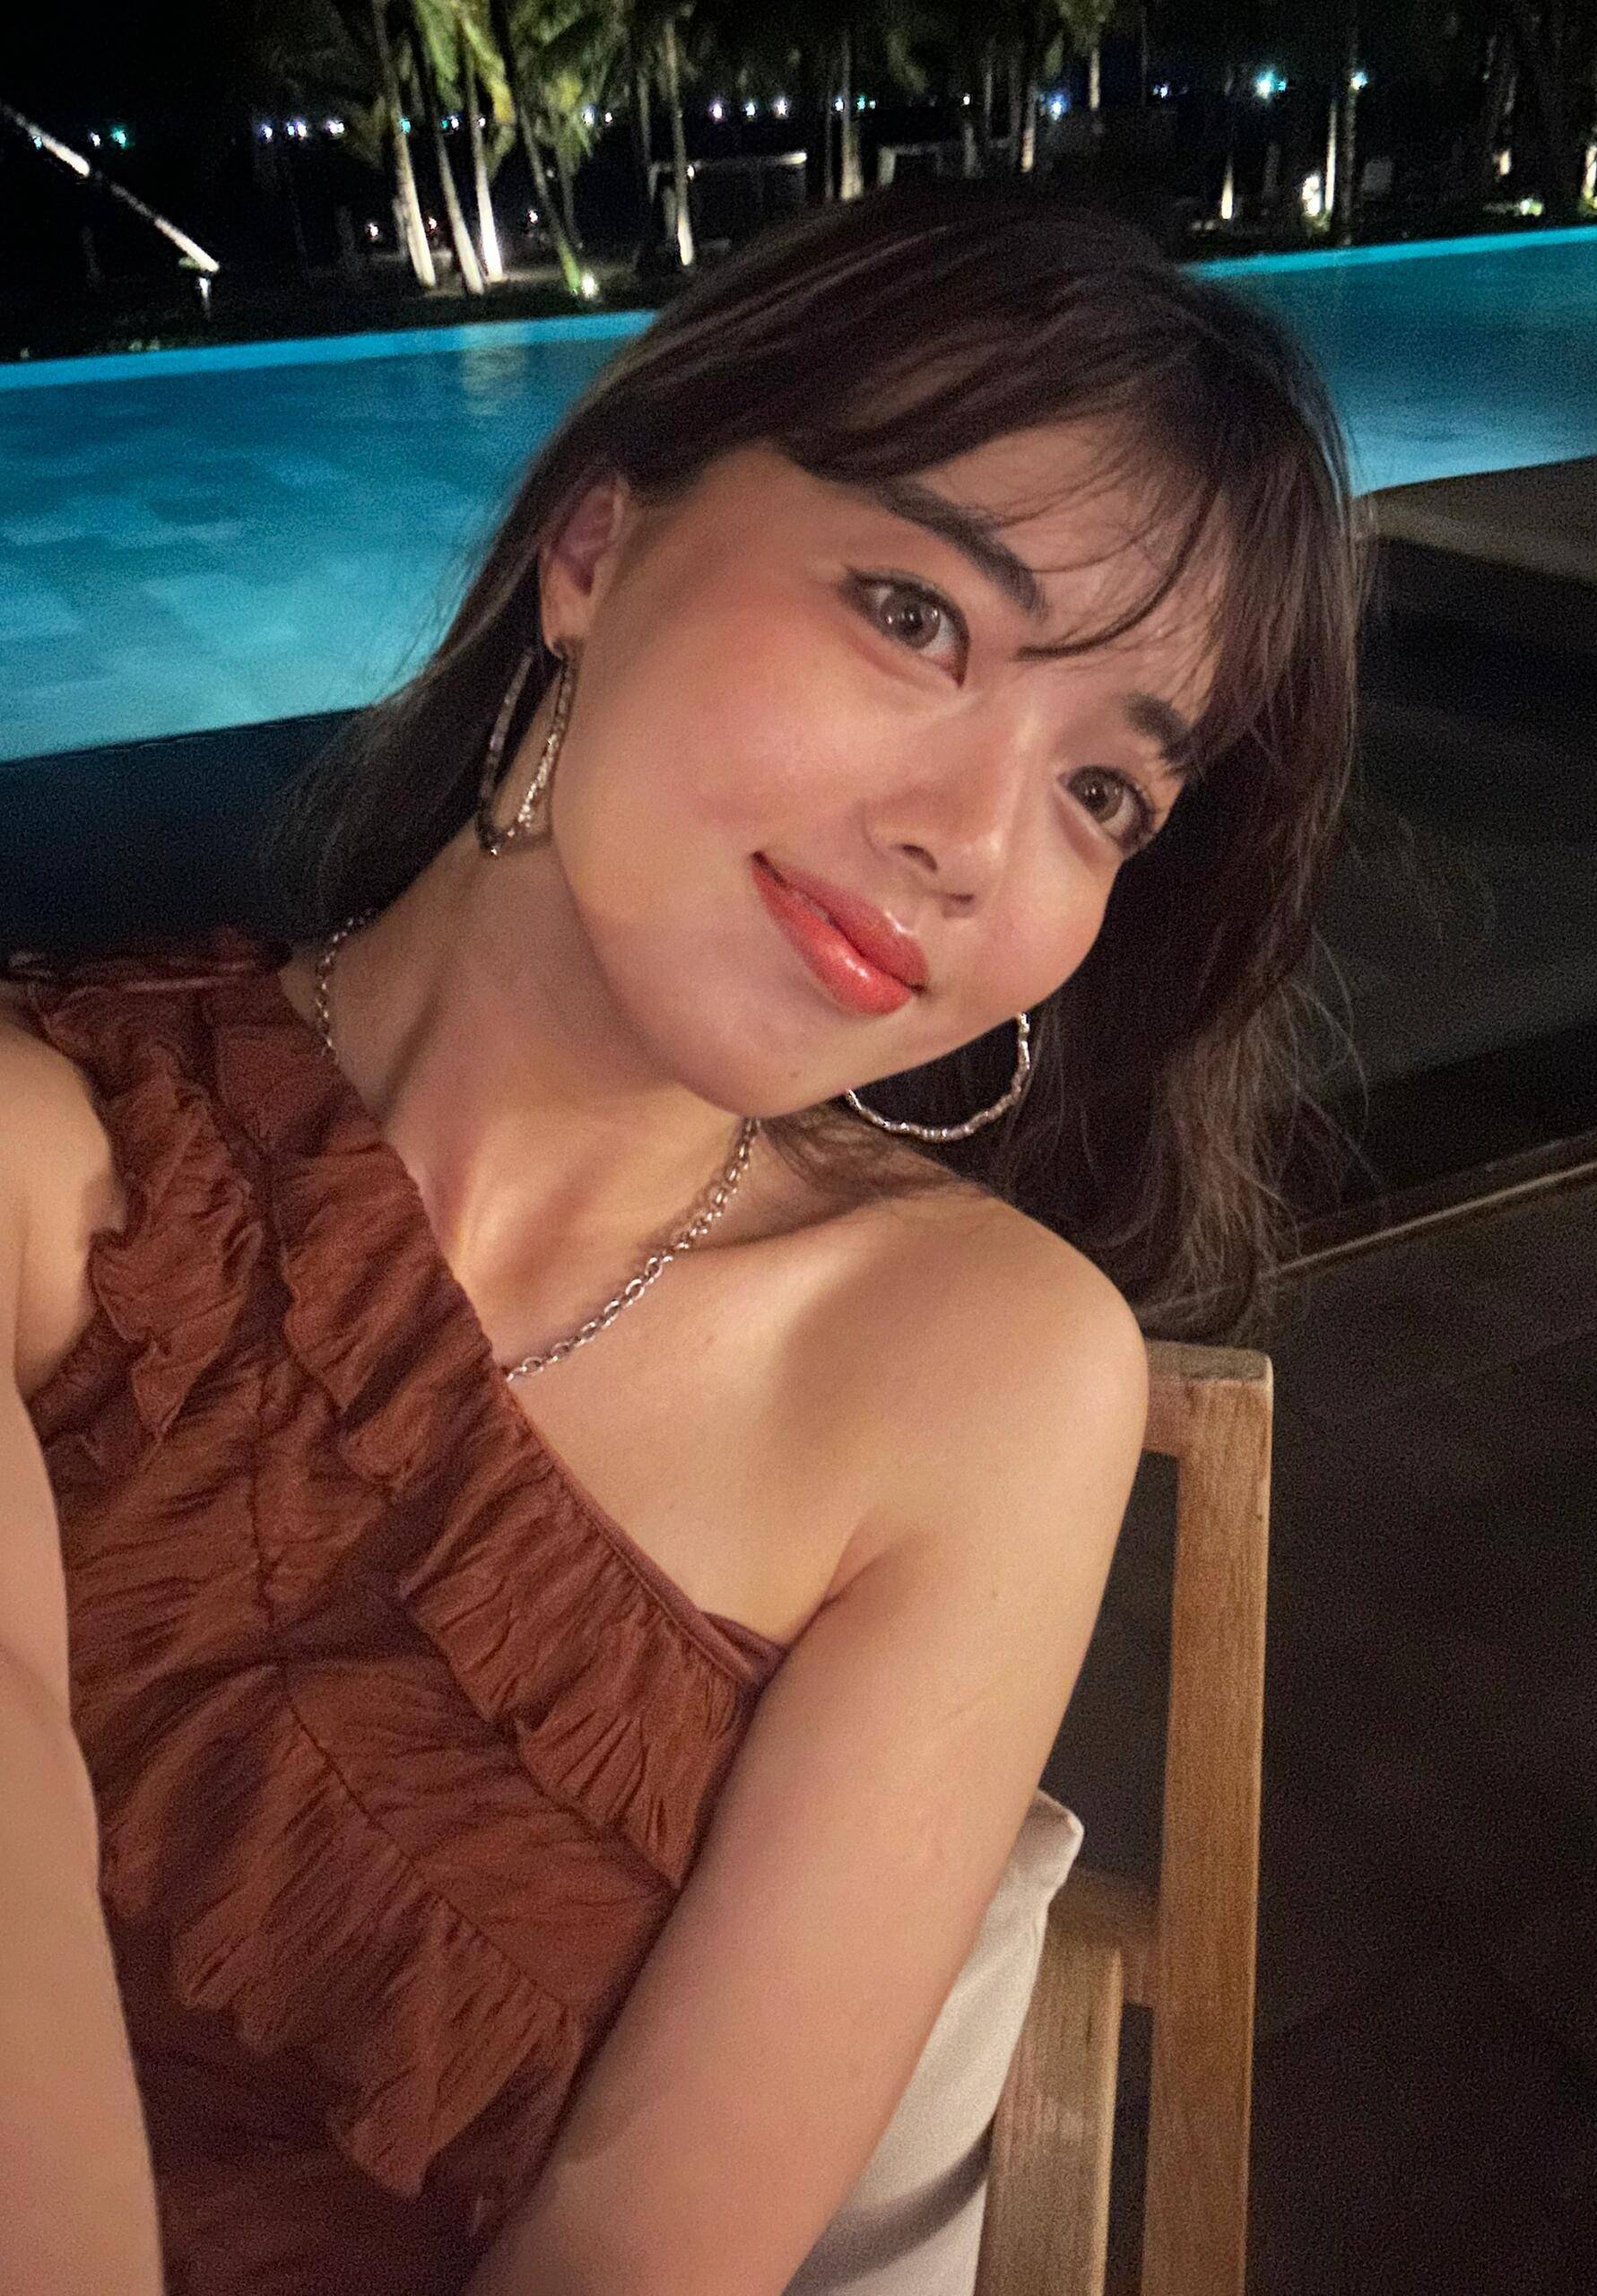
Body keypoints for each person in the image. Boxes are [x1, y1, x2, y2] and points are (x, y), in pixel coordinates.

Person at [0, 175, 1367, 2296]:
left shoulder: (978, 1373)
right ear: (594, 547)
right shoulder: (48, 1156)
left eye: (1105, 791)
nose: (972, 841)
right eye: (916, 615)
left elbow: (640, 2250)